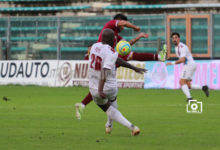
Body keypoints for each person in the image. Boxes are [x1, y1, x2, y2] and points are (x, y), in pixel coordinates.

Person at [75, 13, 167, 120]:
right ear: (117, 21)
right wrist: (135, 27)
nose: (123, 27)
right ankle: (158, 57)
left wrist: (138, 37)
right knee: (130, 57)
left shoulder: (116, 36)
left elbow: (125, 46)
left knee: (100, 88)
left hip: (106, 59)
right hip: (103, 59)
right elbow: (123, 23)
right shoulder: (110, 26)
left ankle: (82, 106)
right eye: (123, 25)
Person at [89, 28, 146, 136]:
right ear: (111, 39)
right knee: (112, 104)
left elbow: (116, 61)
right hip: (110, 87)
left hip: (94, 86)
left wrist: (133, 67)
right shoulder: (112, 52)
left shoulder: (94, 46)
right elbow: (106, 69)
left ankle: (128, 126)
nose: (115, 39)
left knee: (107, 107)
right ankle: (111, 125)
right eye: (114, 38)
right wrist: (134, 68)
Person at [166, 32, 209, 102]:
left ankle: (189, 98)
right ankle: (203, 88)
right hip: (190, 65)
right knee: (188, 85)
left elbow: (182, 60)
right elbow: (182, 59)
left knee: (181, 81)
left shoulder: (181, 47)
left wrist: (171, 63)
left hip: (189, 65)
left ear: (179, 39)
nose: (174, 39)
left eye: (176, 38)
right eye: (173, 38)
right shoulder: (176, 48)